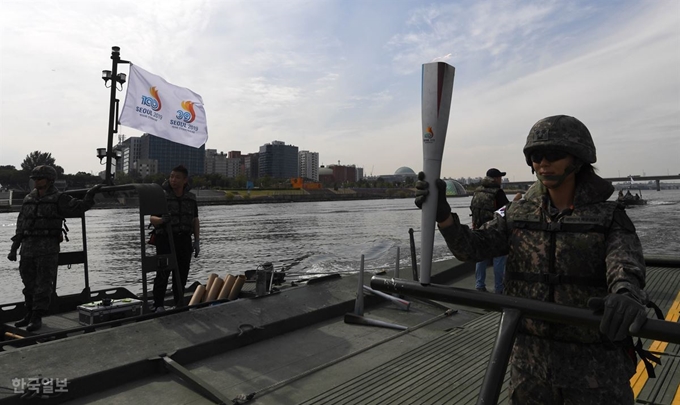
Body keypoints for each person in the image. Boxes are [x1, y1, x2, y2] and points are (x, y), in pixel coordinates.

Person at [415, 115, 648, 404]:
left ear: (578, 159)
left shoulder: (609, 217)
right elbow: (472, 248)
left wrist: (625, 294)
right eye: (536, 156)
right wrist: (444, 216)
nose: (543, 163)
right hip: (530, 368)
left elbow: (625, 264)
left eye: (553, 154)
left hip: (595, 371)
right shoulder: (516, 213)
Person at [7, 165, 101, 332]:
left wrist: (90, 194)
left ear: (49, 180)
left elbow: (79, 207)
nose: (36, 181)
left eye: (39, 178)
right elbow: (21, 224)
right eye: (34, 178)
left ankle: (37, 316)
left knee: (43, 284)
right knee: (28, 283)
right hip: (27, 248)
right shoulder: (29, 198)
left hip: (47, 248)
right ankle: (29, 312)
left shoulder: (59, 198)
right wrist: (14, 248)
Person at [149, 165, 200, 311]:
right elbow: (152, 218)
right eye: (171, 176)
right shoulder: (162, 197)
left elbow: (195, 220)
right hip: (165, 240)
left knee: (182, 274)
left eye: (177, 177)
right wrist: (161, 221)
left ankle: (179, 304)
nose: (173, 180)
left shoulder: (191, 198)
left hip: (184, 240)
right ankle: (158, 304)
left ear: (185, 180)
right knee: (162, 273)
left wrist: (197, 241)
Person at [469, 168, 510, 293]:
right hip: (495, 231)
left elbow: (473, 208)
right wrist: (516, 202)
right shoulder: (498, 192)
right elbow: (505, 211)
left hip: (478, 229)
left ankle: (479, 285)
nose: (501, 180)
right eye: (500, 177)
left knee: (481, 258)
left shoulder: (477, 191)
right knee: (499, 259)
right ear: (496, 179)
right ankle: (499, 288)